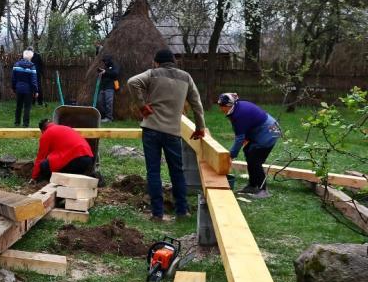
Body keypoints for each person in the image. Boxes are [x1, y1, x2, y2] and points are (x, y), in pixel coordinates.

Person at [128, 49, 206, 221]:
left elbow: (132, 82)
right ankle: (182, 211)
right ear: (174, 61)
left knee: (153, 172)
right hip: (172, 132)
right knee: (177, 172)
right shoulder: (186, 77)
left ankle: (157, 214)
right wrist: (200, 127)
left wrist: (142, 106)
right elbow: (197, 104)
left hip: (151, 130)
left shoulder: (152, 73)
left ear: (156, 62)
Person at [217, 93, 281, 198]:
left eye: (223, 106)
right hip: (261, 130)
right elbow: (247, 126)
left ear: (229, 105)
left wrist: (231, 155)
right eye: (220, 106)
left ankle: (263, 190)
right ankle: (252, 185)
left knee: (255, 160)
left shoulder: (239, 114)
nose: (221, 109)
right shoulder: (236, 108)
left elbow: (239, 138)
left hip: (269, 133)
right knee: (248, 152)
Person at [11, 48, 39, 127]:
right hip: (28, 90)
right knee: (27, 107)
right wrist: (36, 91)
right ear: (31, 57)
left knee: (18, 106)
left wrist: (13, 88)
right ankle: (25, 124)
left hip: (19, 89)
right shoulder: (32, 67)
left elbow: (13, 78)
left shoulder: (16, 65)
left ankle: (17, 122)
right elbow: (34, 81)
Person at [96, 54, 120, 123]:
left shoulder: (115, 66)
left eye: (106, 61)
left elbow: (115, 73)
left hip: (110, 87)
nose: (105, 63)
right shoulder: (105, 67)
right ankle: (103, 117)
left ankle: (109, 118)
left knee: (108, 103)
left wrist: (105, 72)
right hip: (103, 87)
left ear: (109, 60)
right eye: (104, 61)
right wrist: (101, 73)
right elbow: (105, 75)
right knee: (100, 102)